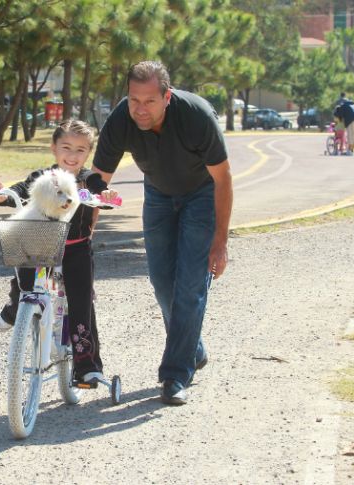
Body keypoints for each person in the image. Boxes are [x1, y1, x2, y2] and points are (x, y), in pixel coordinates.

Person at [90, 61, 233, 405]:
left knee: (190, 286)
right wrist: (86, 231)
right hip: (157, 193)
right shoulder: (122, 119)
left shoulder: (196, 116)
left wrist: (220, 242)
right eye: (134, 99)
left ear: (167, 96)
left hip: (201, 195)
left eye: (149, 101)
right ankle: (192, 348)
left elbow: (223, 179)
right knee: (161, 282)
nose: (140, 109)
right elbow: (97, 182)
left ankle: (175, 374)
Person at [0, 119, 120, 386]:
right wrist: (0, 195)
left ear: (88, 153)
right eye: (66, 147)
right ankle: (15, 309)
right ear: (54, 148)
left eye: (80, 150)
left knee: (81, 304)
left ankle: (86, 367)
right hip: (41, 242)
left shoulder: (88, 179)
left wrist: (106, 196)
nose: (72, 155)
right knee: (23, 278)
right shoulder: (42, 178)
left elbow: (101, 192)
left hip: (76, 249)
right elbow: (20, 191)